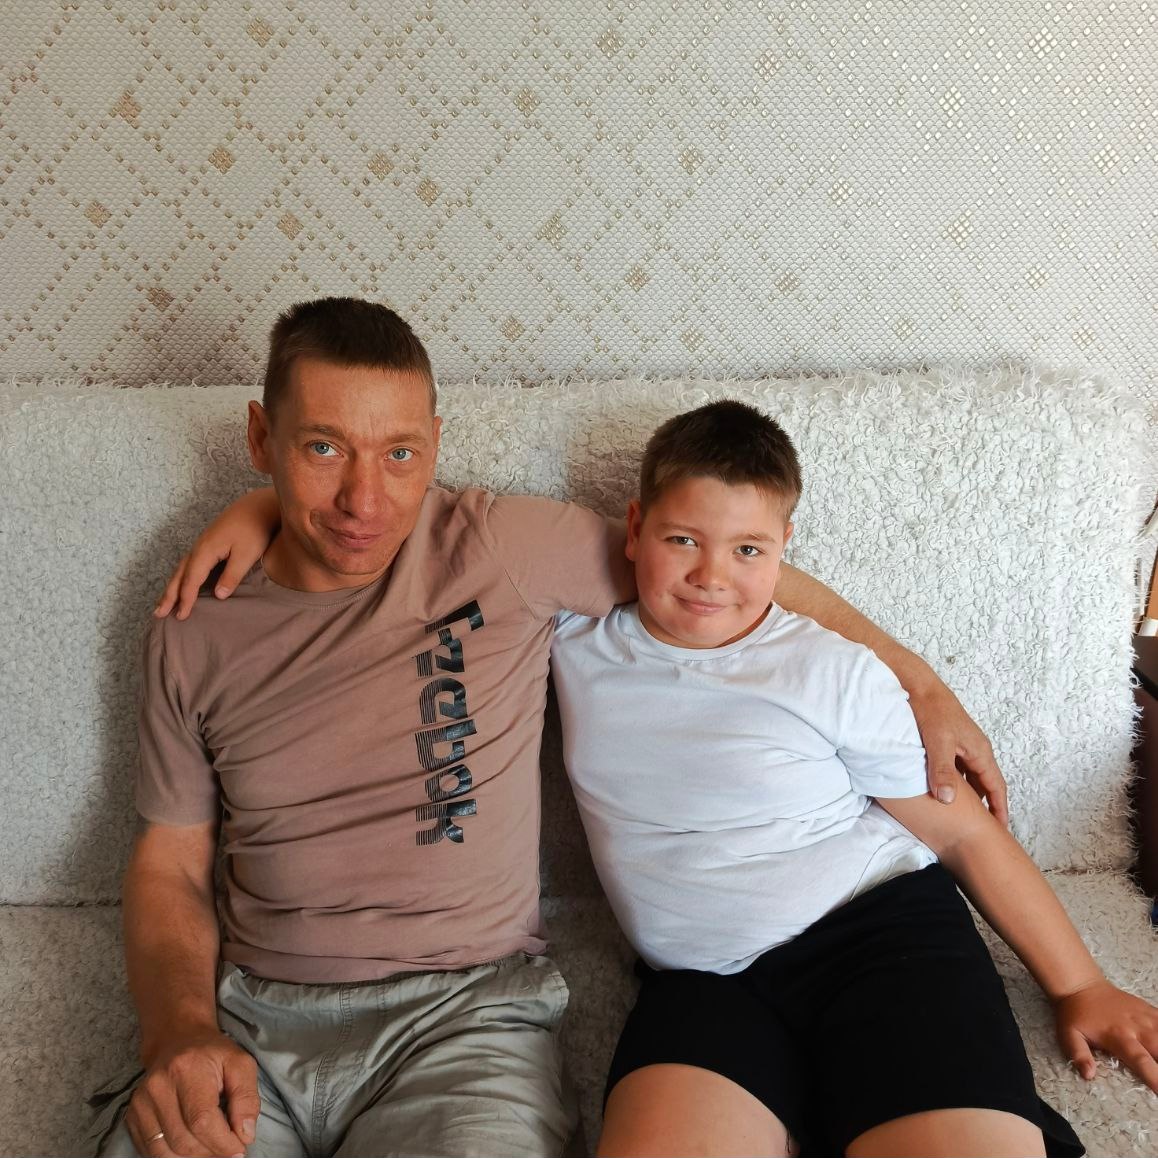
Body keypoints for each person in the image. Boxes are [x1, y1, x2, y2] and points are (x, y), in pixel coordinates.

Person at [96, 296, 1007, 1158]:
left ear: (436, 444)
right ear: (261, 438)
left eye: (400, 454)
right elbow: (169, 859)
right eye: (324, 448)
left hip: (462, 1018)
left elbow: (716, 564)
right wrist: (179, 1029)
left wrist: (920, 682)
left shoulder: (500, 547)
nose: (364, 501)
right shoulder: (193, 625)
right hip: (253, 1019)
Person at [548, 400, 1158, 1158]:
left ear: (784, 549)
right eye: (682, 540)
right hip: (702, 979)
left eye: (747, 549)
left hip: (877, 939)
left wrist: (1079, 985)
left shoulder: (830, 669)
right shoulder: (574, 629)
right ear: (635, 527)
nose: (710, 576)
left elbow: (960, 832)